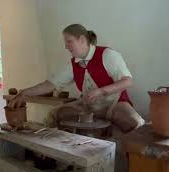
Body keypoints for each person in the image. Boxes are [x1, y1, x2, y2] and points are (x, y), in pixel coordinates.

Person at [8, 23, 145, 133]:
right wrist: (23, 93)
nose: (66, 46)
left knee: (135, 123)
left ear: (82, 39)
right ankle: (53, 157)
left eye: (69, 41)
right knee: (55, 114)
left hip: (114, 105)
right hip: (88, 106)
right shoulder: (73, 63)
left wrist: (100, 91)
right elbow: (50, 85)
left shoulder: (107, 55)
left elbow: (128, 81)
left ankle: (133, 165)